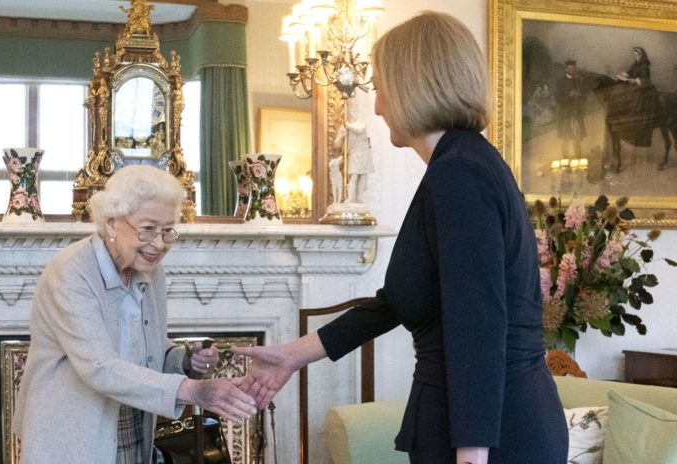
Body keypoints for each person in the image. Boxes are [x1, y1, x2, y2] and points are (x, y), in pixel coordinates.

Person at [233, 11, 567, 464]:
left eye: (381, 88)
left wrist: (471, 455)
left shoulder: (460, 173)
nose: (378, 107)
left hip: (495, 435)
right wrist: (293, 355)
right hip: (481, 422)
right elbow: (400, 301)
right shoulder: (460, 165)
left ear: (414, 86)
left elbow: (478, 323)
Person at [12, 165, 257, 464]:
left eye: (167, 231)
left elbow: (145, 348)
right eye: (148, 229)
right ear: (111, 223)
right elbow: (98, 366)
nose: (159, 244)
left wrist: (185, 360)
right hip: (73, 434)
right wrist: (192, 390)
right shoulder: (70, 272)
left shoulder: (151, 271)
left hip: (133, 423)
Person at [616, 46, 659, 147]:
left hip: (646, 89)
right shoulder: (635, 64)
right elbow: (630, 72)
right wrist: (624, 75)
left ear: (641, 55)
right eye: (634, 55)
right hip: (636, 87)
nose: (635, 57)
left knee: (638, 102)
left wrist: (634, 80)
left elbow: (645, 79)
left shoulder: (644, 65)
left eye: (636, 55)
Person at [333, 101, 374, 203]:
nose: (355, 113)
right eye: (352, 111)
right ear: (349, 112)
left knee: (363, 176)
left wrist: (348, 126)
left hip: (363, 152)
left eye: (356, 111)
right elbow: (336, 145)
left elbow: (359, 130)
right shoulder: (344, 127)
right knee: (354, 176)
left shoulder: (360, 123)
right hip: (354, 153)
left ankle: (359, 196)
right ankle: (351, 197)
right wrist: (341, 136)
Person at [555, 59, 586, 158]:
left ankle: (579, 159)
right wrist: (569, 95)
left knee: (577, 138)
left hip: (576, 113)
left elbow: (584, 97)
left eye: (573, 68)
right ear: (566, 69)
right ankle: (565, 160)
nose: (572, 70)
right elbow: (558, 98)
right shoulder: (560, 82)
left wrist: (580, 96)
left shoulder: (579, 81)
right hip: (565, 114)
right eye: (570, 68)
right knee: (566, 139)